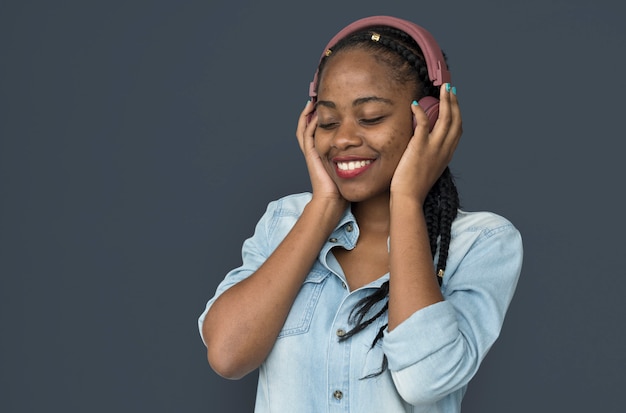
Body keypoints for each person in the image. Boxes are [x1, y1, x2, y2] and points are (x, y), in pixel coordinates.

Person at [198, 15, 523, 412]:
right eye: (329, 121)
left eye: (370, 117)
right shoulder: (284, 220)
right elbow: (228, 355)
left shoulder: (483, 242)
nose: (344, 138)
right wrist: (323, 207)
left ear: (432, 118)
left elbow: (426, 380)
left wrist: (405, 200)